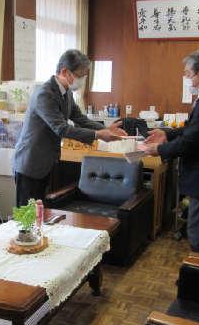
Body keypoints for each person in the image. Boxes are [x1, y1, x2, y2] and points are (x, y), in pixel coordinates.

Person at [138, 49, 199, 251]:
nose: (186, 78)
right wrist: (167, 134)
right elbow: (194, 129)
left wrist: (160, 149)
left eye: (188, 74)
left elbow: (191, 141)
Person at [13, 49, 126, 207]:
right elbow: (62, 129)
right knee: (26, 215)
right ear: (65, 72)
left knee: (40, 212)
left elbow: (80, 118)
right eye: (80, 75)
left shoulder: (67, 93)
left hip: (46, 163)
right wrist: (98, 135)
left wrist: (106, 128)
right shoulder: (44, 94)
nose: (82, 80)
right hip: (30, 163)